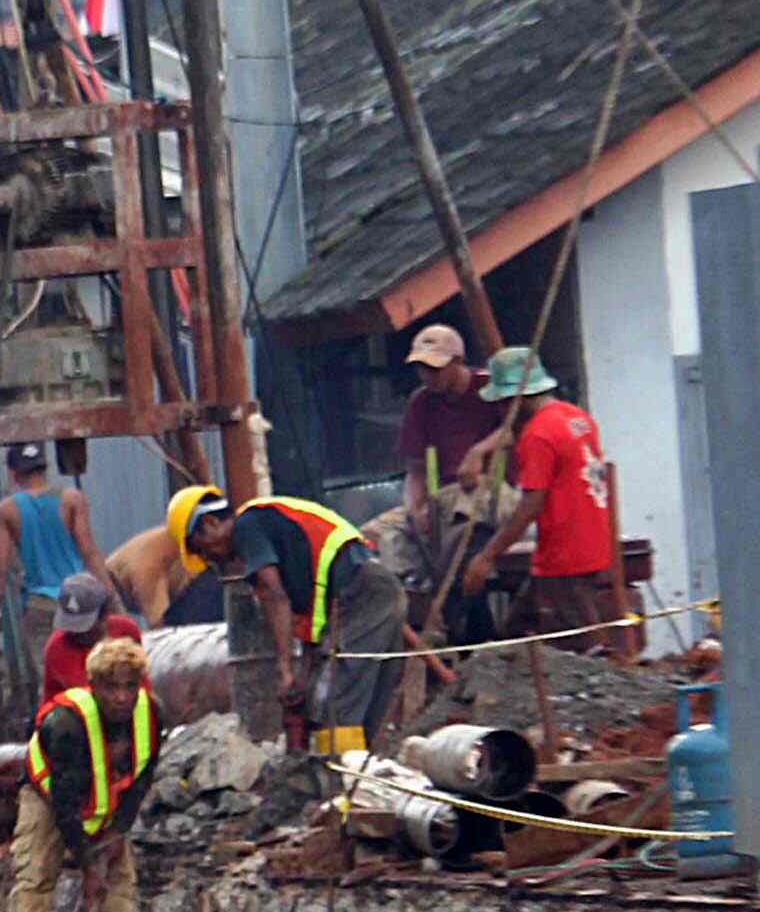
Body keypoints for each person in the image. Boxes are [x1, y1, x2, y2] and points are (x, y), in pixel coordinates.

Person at [173, 482, 405, 754]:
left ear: (210, 523)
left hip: (361, 592)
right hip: (374, 589)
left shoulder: (248, 526)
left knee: (334, 702)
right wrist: (302, 676)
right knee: (361, 705)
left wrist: (283, 669)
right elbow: (313, 619)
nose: (208, 557)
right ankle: (358, 770)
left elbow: (274, 595)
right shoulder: (282, 539)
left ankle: (336, 780)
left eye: (200, 548)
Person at [460, 348, 630, 657]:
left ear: (516, 398)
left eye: (501, 402)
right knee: (516, 630)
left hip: (565, 555)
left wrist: (487, 556)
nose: (499, 410)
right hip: (590, 543)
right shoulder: (577, 417)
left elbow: (530, 505)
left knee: (586, 643)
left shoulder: (537, 435)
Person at [10, 636, 159, 912]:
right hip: (48, 792)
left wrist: (118, 830)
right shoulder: (67, 725)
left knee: (119, 868)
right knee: (36, 864)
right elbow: (65, 805)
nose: (122, 697)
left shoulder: (152, 714)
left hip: (106, 792)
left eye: (129, 687)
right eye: (111, 688)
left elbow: (142, 778)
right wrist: (87, 861)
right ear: (93, 687)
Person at [0, 440, 116, 713]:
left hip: (40, 606)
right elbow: (89, 550)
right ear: (45, 468)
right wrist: (112, 599)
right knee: (96, 670)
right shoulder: (71, 499)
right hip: (83, 603)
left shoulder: (6, 511)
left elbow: (0, 568)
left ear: (13, 474)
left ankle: (52, 737)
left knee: (50, 680)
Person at [398, 323, 504, 529]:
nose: (427, 376)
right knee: (380, 533)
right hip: (443, 496)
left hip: (493, 489)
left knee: (462, 517)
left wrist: (479, 451)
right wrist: (414, 508)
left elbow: (516, 427)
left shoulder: (491, 386)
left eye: (435, 369)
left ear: (458, 361)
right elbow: (416, 470)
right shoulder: (420, 401)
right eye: (422, 368)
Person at [38, 570, 143, 705]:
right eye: (70, 624)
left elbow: (141, 682)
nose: (76, 633)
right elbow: (93, 695)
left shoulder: (126, 631)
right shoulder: (58, 646)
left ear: (104, 615)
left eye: (83, 626)